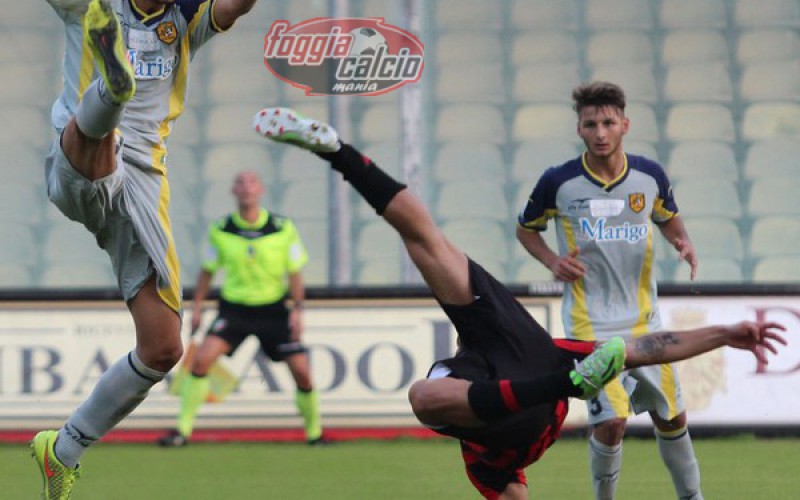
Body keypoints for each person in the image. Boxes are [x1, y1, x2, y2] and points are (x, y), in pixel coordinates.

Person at [251, 107, 786, 500]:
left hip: (500, 356)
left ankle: (335, 150)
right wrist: (726, 333)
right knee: (425, 245)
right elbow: (646, 346)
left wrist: (725, 334)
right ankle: (336, 151)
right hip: (524, 352)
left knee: (424, 383)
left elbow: (648, 345)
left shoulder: (488, 464)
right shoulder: (533, 405)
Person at [32, 0, 257, 497]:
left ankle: (63, 449)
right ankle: (112, 89)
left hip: (143, 189)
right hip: (80, 158)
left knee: (163, 347)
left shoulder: (186, 22)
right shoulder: (90, 6)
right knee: (98, 143)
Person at [516, 81, 702, 500]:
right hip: (589, 325)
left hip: (645, 322)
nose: (600, 132)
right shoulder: (558, 182)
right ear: (579, 129)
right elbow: (526, 230)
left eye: (608, 122)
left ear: (625, 125)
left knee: (671, 417)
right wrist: (552, 261)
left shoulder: (648, 176)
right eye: (590, 124)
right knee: (611, 420)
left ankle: (693, 497)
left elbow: (668, 217)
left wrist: (682, 241)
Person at [157, 170, 325, 447]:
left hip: (273, 309)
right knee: (201, 361)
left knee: (302, 372)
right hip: (235, 310)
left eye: (251, 182)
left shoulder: (282, 228)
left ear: (260, 190)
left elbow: (295, 273)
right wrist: (197, 307)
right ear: (233, 191)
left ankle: (314, 434)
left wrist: (297, 311)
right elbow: (207, 271)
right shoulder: (221, 229)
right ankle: (182, 431)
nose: (246, 188)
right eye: (240, 183)